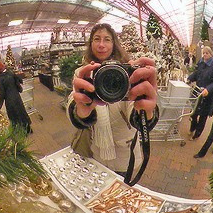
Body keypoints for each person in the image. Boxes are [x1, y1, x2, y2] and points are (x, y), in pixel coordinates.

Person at [67, 24, 158, 177]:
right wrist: (80, 112)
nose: (101, 45)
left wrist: (146, 112)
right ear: (91, 44)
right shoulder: (83, 73)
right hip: (97, 153)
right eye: (97, 39)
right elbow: (74, 98)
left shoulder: (128, 71)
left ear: (114, 43)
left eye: (107, 40)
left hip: (125, 154)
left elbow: (134, 105)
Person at [186, 45, 213, 140]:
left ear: (211, 54)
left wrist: (208, 89)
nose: (205, 54)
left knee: (203, 116)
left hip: (207, 95)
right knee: (194, 113)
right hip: (198, 92)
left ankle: (197, 134)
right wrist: (189, 79)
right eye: (204, 53)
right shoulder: (201, 62)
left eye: (207, 53)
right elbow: (196, 73)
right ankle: (192, 128)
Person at [0, 61, 31, 134]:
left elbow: (2, 93)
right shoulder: (10, 73)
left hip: (9, 100)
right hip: (17, 97)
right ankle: (28, 129)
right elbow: (18, 80)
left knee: (14, 116)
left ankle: (19, 132)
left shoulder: (1, 79)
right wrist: (19, 89)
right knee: (21, 112)